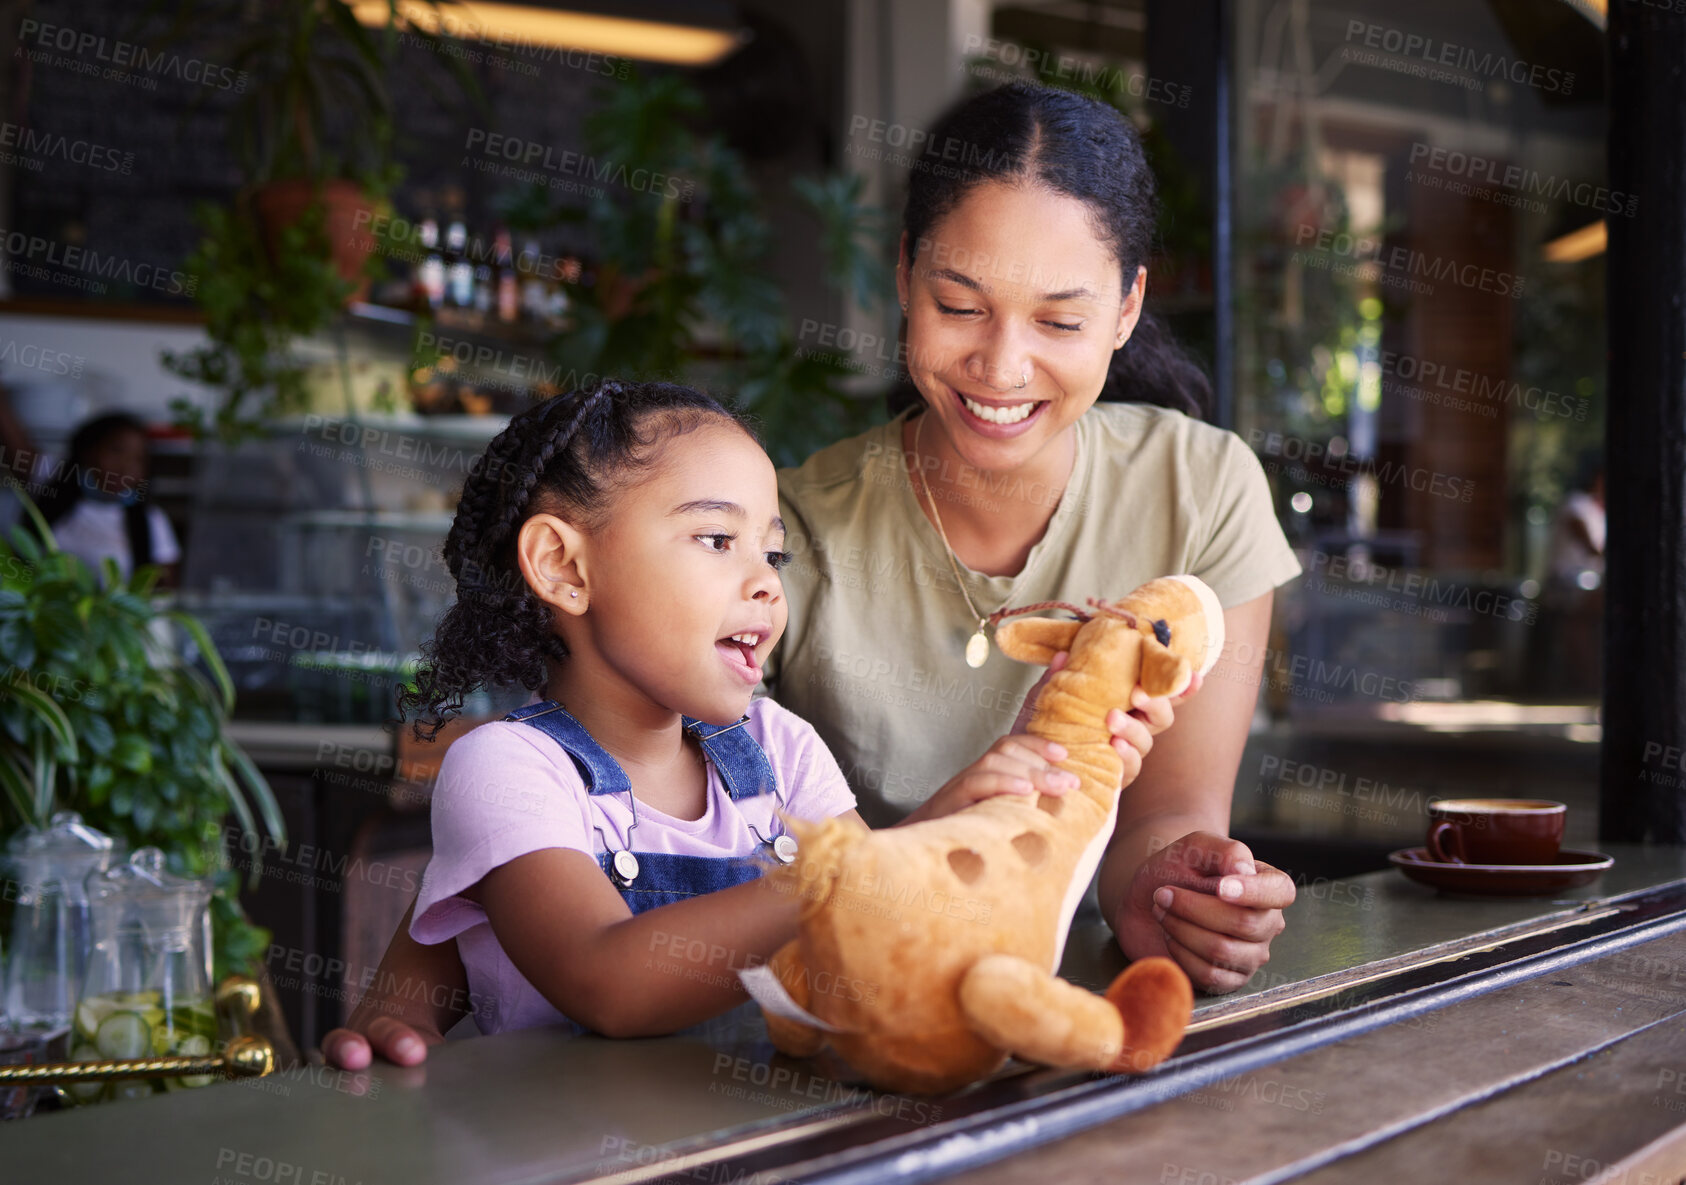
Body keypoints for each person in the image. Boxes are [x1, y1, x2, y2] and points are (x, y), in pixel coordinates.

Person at [325, 80, 1297, 1069]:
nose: (1003, 365)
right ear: (906, 277)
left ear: (1129, 306)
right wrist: (425, 960)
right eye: (960, 304)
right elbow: (594, 863)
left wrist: (1166, 882)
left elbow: (881, 887)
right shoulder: (784, 544)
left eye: (1058, 321)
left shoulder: (776, 752)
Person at [320, 378, 1169, 1064]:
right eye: (717, 540)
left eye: (775, 552)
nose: (768, 583)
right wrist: (868, 861)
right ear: (563, 567)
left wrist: (1042, 758)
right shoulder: (509, 770)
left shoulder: (780, 750)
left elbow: (872, 938)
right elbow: (607, 981)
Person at [37, 411, 181, 587]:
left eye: (138, 459)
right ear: (88, 451)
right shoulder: (48, 493)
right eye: (117, 451)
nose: (125, 467)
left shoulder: (151, 520)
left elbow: (163, 589)